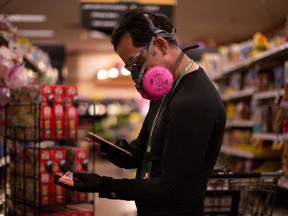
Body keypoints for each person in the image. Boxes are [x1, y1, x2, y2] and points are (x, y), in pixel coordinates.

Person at [54, 7, 226, 216]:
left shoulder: (194, 101)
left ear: (161, 45)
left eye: (136, 62)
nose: (136, 74)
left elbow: (170, 189)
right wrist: (125, 154)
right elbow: (147, 147)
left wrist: (103, 185)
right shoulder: (165, 91)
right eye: (130, 67)